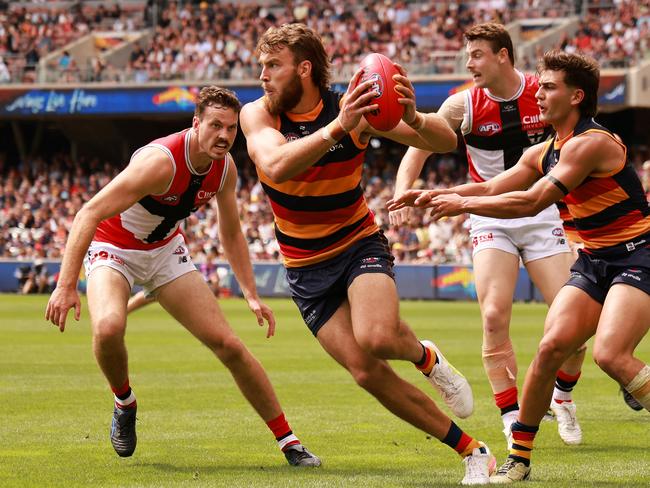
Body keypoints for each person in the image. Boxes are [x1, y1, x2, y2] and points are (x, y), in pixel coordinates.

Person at [240, 23, 495, 485]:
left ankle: (424, 357)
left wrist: (416, 118)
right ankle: (472, 449)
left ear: (304, 69)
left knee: (377, 337)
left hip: (356, 243)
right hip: (304, 267)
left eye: (272, 65)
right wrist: (339, 127)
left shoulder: (354, 105)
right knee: (365, 372)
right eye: (262, 65)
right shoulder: (257, 115)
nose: (263, 75)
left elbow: (444, 141)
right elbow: (274, 164)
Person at [389, 50, 650, 482]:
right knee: (549, 349)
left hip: (637, 255)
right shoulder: (545, 150)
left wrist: (463, 204)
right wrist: (435, 194)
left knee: (610, 354)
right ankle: (520, 460)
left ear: (577, 96)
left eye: (549, 87)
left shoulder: (590, 144)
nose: (539, 94)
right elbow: (494, 184)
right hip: (594, 261)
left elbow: (532, 201)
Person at [45, 86, 320, 467]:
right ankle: (124, 400)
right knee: (108, 328)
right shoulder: (160, 162)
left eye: (231, 129)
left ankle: (289, 442)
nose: (224, 136)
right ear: (196, 124)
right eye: (215, 126)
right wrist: (64, 286)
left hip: (165, 253)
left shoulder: (224, 169)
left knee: (230, 345)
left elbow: (231, 232)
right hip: (115, 248)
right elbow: (87, 214)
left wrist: (251, 293)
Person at [391, 23, 585, 447]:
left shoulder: (543, 90)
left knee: (574, 319)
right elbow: (418, 145)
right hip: (487, 214)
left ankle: (564, 399)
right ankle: (511, 416)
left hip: (541, 210)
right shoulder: (462, 104)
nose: (469, 63)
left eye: (477, 54)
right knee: (494, 315)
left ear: (502, 55)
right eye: (468, 55)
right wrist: (403, 193)